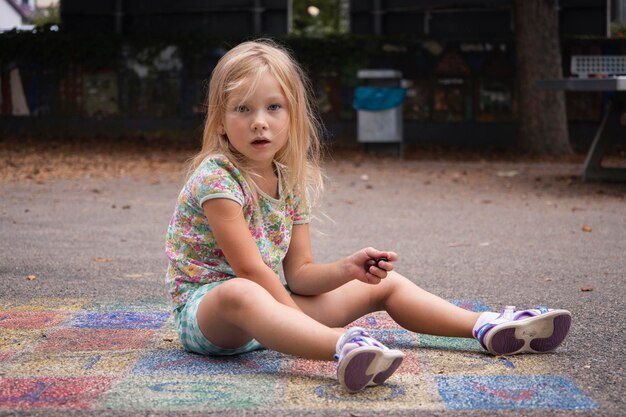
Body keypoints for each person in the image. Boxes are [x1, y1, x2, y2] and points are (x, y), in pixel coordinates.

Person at [165, 39, 572, 394]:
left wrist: (347, 268)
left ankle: (485, 326)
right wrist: (299, 315)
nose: (260, 121)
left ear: (293, 116)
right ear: (219, 120)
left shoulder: (289, 179)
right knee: (243, 291)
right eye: (242, 108)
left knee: (385, 284)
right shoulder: (216, 178)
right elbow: (251, 271)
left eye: (274, 107)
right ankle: (345, 347)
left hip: (277, 307)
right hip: (214, 316)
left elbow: (301, 273)